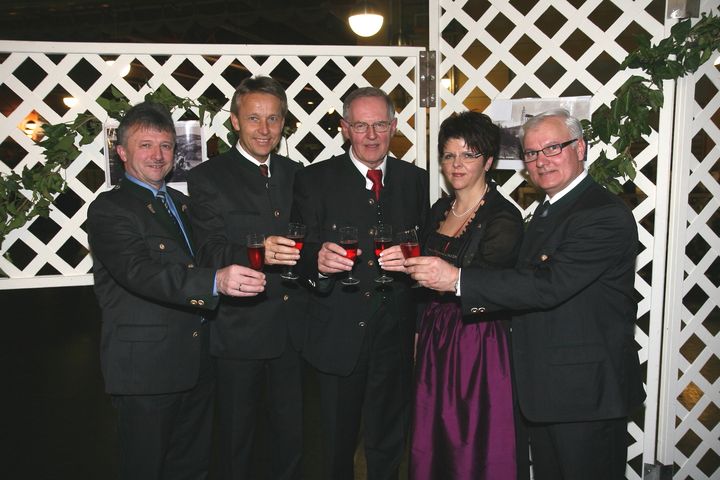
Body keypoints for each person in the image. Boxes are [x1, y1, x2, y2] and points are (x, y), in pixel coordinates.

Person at [405, 108, 645, 480]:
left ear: (580, 148)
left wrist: (458, 280)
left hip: (584, 394)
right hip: (546, 388)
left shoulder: (603, 214)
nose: (541, 161)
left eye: (553, 148)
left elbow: (549, 286)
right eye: (531, 153)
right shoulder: (550, 211)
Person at [87, 101, 266, 480]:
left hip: (196, 363)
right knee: (146, 469)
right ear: (121, 153)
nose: (158, 155)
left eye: (166, 146)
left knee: (192, 468)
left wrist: (266, 250)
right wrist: (214, 281)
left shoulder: (181, 205)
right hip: (145, 372)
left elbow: (210, 251)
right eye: (146, 145)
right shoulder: (110, 209)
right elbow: (139, 272)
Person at [290, 86, 430, 480]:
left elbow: (423, 259)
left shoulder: (414, 181)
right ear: (345, 129)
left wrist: (418, 328)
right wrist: (315, 260)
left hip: (395, 336)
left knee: (389, 441)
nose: (371, 135)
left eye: (380, 124)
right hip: (336, 336)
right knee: (335, 444)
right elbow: (295, 248)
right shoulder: (314, 180)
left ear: (395, 126)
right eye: (361, 125)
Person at [187, 75, 306, 480]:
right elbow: (206, 251)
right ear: (235, 121)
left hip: (293, 333)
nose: (265, 129)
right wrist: (257, 254)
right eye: (254, 118)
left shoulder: (296, 173)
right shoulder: (208, 177)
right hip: (239, 335)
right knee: (236, 445)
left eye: (273, 119)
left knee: (292, 441)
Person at [404, 111, 523, 479]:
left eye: (468, 155)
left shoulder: (503, 217)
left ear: (488, 161)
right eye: (449, 155)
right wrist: (419, 328)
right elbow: (423, 283)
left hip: (478, 341)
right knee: (432, 433)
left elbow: (493, 284)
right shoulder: (439, 209)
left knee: (471, 438)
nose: (457, 164)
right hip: (435, 336)